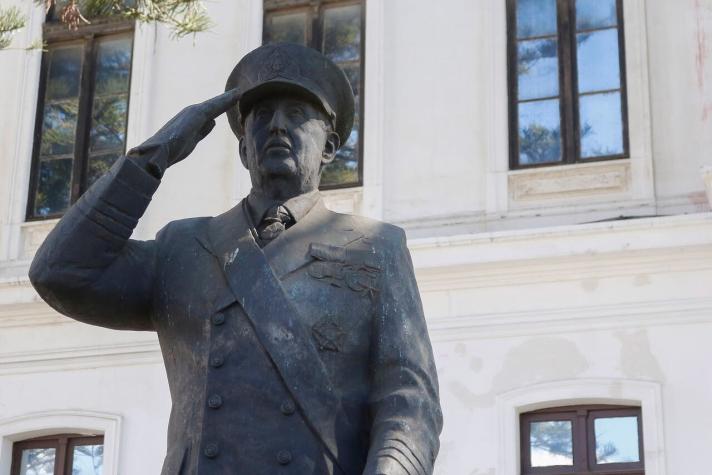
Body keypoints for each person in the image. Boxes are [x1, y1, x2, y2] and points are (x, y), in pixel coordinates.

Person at [29, 43, 442, 475]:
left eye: (297, 115)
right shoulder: (182, 248)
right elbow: (59, 273)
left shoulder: (376, 247)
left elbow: (410, 406)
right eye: (261, 117)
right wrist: (153, 157)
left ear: (330, 148)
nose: (278, 125)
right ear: (244, 149)